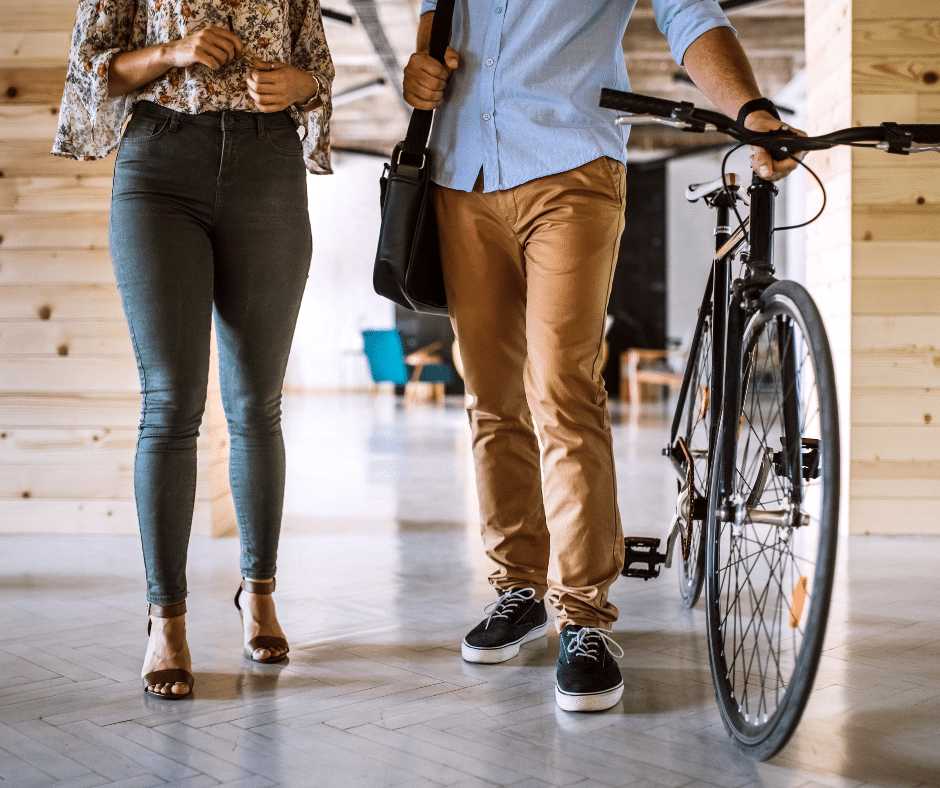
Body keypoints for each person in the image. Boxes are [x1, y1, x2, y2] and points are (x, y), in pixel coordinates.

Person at [402, 0, 801, 712]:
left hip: (570, 167)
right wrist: (419, 66)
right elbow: (437, 17)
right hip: (460, 176)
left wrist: (751, 107)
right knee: (491, 396)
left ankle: (584, 618)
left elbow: (687, 13)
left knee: (560, 386)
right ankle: (517, 588)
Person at [53, 0, 333, 699]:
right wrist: (173, 53)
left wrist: (293, 86)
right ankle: (165, 620)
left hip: (268, 166)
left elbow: (317, 69)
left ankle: (260, 594)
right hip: (160, 167)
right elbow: (92, 66)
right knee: (170, 402)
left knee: (255, 405)